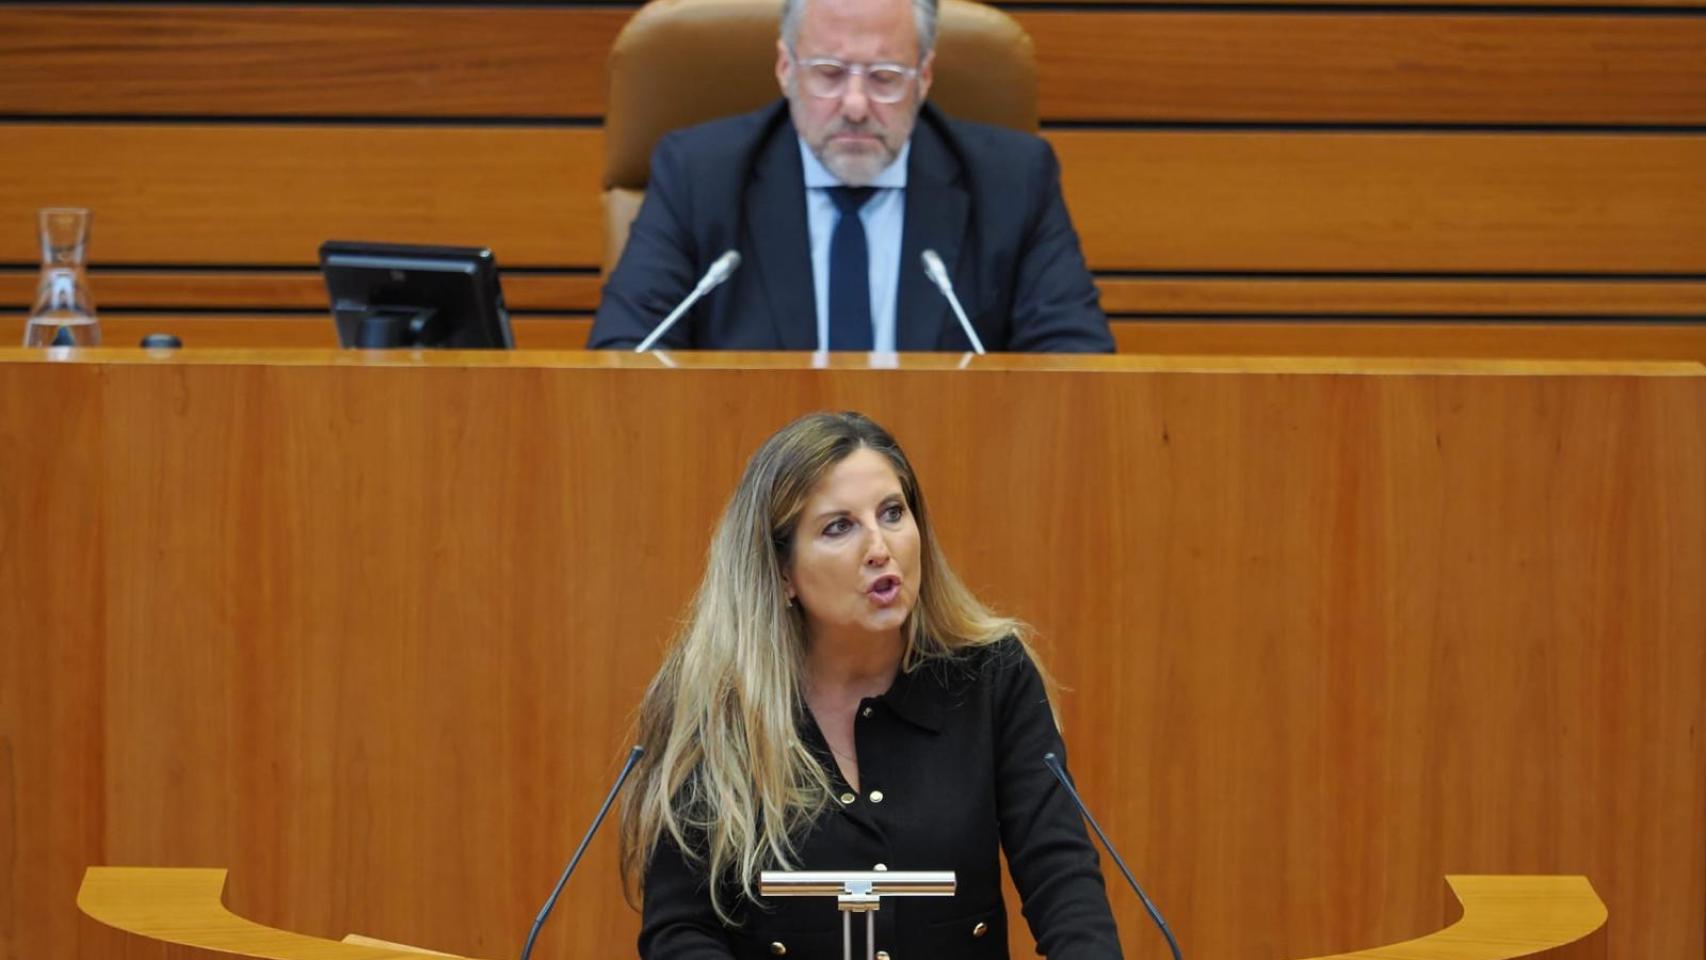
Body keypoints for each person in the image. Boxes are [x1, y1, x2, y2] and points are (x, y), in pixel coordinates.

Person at [618, 411, 1122, 959]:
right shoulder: (716, 702)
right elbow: (681, 930)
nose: (880, 547)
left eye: (892, 513)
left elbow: (1062, 879)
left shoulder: (991, 676)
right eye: (839, 527)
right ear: (781, 571)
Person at [587, 0, 1115, 353]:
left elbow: (1076, 368)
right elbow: (626, 356)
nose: (856, 105)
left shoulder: (1013, 182)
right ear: (785, 69)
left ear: (924, 77)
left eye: (885, 78)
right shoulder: (698, 176)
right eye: (829, 74)